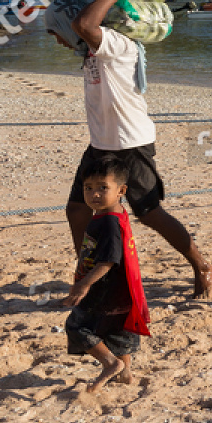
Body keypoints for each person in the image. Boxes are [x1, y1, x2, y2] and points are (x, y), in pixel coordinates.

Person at [46, 0, 212, 299]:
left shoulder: (118, 45)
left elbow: (84, 26)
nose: (57, 40)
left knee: (150, 213)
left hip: (130, 144)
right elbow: (82, 29)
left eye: (56, 32)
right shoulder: (91, 52)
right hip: (99, 146)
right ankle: (88, 271)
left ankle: (202, 265)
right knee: (77, 209)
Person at [62, 154, 150, 393]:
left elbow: (109, 260)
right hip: (124, 292)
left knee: (76, 326)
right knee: (119, 333)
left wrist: (84, 285)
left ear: (121, 189)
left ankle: (110, 363)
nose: (95, 194)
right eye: (88, 188)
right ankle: (126, 374)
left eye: (103, 187)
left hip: (103, 290)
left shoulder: (108, 223)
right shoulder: (117, 213)